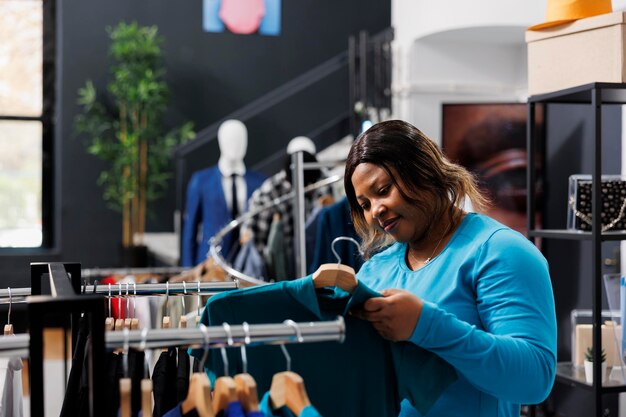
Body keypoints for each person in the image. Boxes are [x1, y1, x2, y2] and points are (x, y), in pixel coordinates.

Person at [345, 120, 557, 417]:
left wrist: (426, 325)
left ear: (424, 171)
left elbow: (535, 379)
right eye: (364, 204)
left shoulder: (500, 252)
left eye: (383, 189)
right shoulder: (374, 271)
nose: (375, 211)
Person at [181, 119, 266, 266]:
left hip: (248, 263)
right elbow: (190, 230)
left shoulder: (260, 182)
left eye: (240, 139)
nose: (235, 144)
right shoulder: (201, 181)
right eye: (230, 139)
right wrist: (188, 272)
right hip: (210, 264)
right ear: (221, 141)